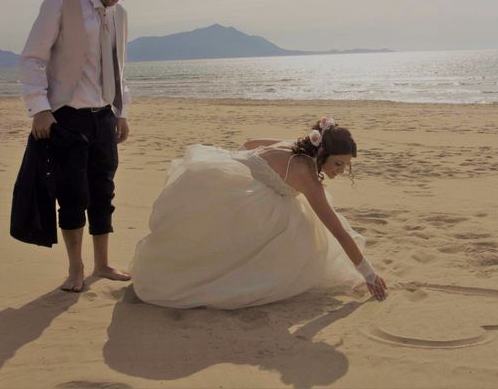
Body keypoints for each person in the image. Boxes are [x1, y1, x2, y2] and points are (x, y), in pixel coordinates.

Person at [130, 117, 388, 309]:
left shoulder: (294, 146)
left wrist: (252, 171)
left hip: (230, 173)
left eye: (346, 166)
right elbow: (339, 232)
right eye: (337, 164)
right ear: (320, 152)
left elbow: (249, 144)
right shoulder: (307, 176)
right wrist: (369, 273)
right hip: (240, 196)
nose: (340, 170)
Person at [18, 0, 138, 292]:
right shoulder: (60, 3)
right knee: (72, 195)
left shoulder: (119, 14)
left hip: (104, 117)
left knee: (104, 192)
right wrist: (39, 108)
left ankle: (102, 265)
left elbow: (119, 68)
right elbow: (31, 59)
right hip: (66, 118)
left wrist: (121, 111)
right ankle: (76, 269)